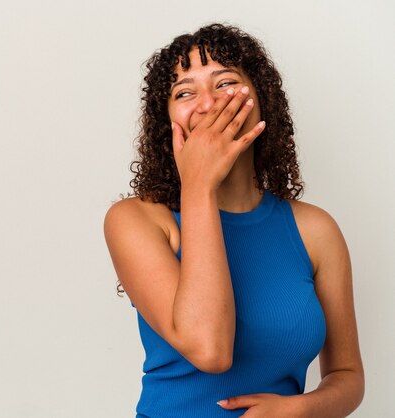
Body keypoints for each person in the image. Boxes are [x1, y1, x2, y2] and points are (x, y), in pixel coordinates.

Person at [103, 23, 364, 417]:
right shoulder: (136, 219)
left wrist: (298, 410)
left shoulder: (316, 230)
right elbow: (210, 350)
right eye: (185, 92)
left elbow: (347, 376)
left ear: (263, 100)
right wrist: (198, 187)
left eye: (224, 82)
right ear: (167, 121)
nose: (208, 104)